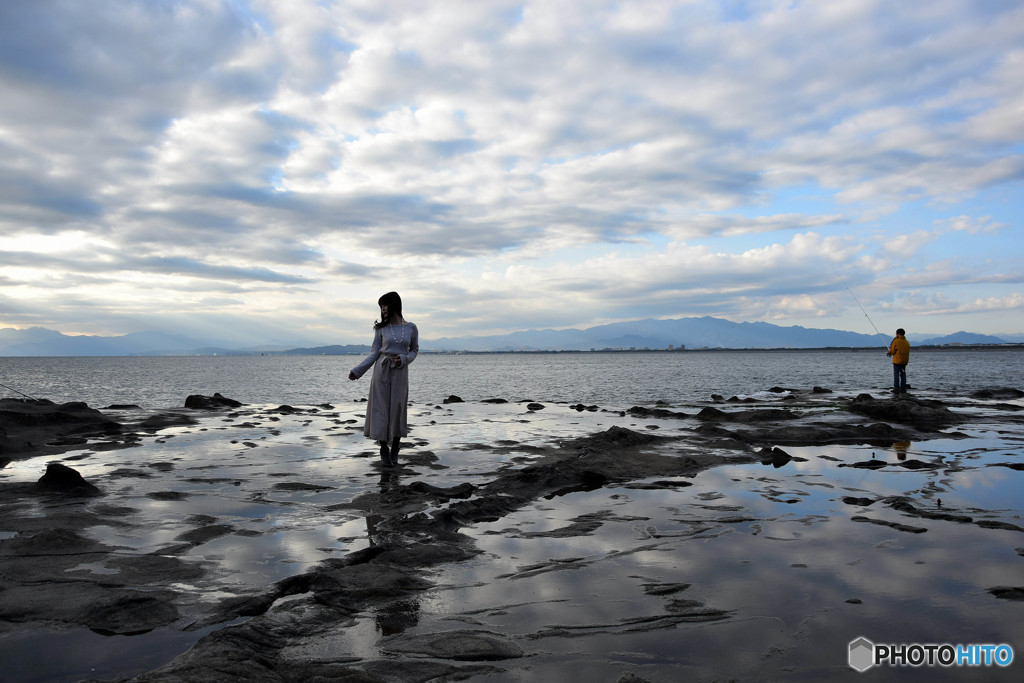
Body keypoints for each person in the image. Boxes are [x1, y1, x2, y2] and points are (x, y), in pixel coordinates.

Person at [348, 292, 419, 466]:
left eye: (385, 305)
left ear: (394, 305)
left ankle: (395, 446)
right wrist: (358, 371)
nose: (383, 309)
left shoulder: (411, 327)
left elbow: (414, 350)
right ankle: (383, 449)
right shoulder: (381, 329)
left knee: (397, 408)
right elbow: (374, 353)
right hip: (381, 372)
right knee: (381, 410)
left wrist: (404, 359)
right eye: (381, 306)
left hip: (400, 373)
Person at [886, 328, 910, 394]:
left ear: (898, 334)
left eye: (896, 333)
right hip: (904, 361)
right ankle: (903, 387)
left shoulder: (896, 341)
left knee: (896, 374)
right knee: (903, 374)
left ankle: (896, 388)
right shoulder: (906, 342)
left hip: (897, 361)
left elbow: (892, 351)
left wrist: (889, 353)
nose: (896, 334)